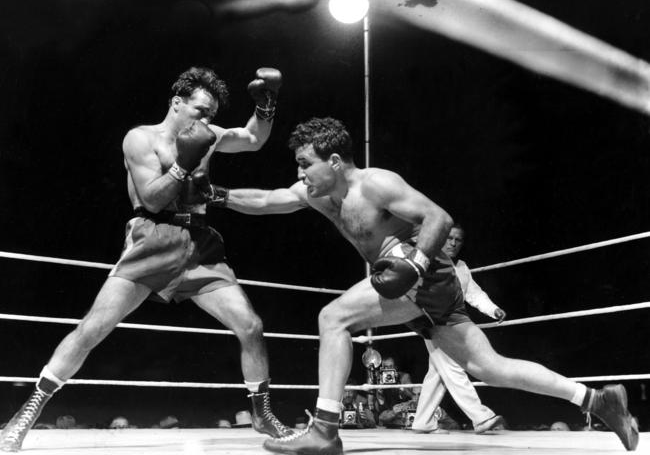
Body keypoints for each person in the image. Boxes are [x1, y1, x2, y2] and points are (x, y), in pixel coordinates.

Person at [193, 117, 638, 454]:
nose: (300, 171)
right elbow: (270, 201)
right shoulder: (315, 193)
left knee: (333, 318)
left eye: (305, 163)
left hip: (423, 276)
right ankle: (598, 399)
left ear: (334, 160)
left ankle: (326, 430)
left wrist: (418, 264)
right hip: (411, 285)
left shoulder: (377, 183)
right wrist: (216, 195)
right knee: (489, 366)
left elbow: (438, 218)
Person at [0, 66, 291, 453]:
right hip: (152, 236)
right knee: (92, 329)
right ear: (176, 103)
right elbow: (153, 198)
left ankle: (263, 413)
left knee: (251, 326)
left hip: (200, 243)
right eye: (200, 111)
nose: (207, 121)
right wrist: (184, 163)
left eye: (212, 115)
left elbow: (253, 139)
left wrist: (266, 106)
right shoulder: (140, 139)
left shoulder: (210, 135)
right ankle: (27, 413)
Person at [412, 224, 506, 434]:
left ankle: (422, 421)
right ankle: (481, 417)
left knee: (438, 372)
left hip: (454, 324)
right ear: (441, 238)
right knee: (452, 366)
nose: (453, 243)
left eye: (458, 240)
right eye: (449, 238)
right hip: (432, 322)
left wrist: (493, 309)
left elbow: (474, 293)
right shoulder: (429, 262)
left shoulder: (462, 267)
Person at [375, 357, 419, 428]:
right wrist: (379, 391)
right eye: (386, 367)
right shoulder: (380, 378)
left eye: (391, 367)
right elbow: (380, 407)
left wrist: (399, 385)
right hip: (390, 413)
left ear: (395, 367)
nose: (388, 369)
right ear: (382, 369)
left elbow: (413, 397)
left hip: (403, 412)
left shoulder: (404, 377)